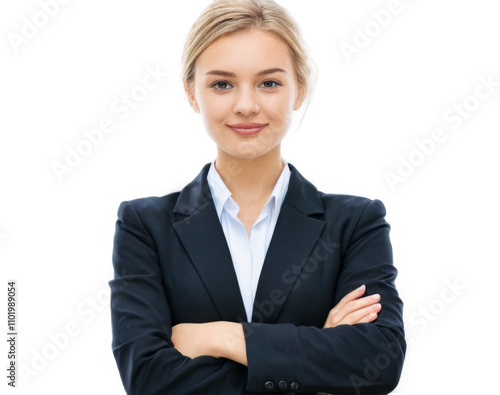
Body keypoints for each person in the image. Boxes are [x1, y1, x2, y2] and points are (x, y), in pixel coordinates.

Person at [109, 0, 406, 393]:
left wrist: (223, 338)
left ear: (298, 89)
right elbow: (148, 379)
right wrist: (318, 358)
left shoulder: (355, 223)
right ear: (192, 93)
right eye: (222, 84)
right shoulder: (144, 226)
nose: (246, 106)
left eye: (269, 83)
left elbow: (377, 361)